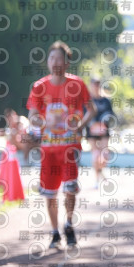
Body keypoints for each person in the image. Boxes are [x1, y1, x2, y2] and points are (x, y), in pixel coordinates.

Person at [27, 41, 95, 249]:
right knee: (49, 192)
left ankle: (69, 224)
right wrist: (44, 122)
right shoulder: (39, 87)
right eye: (51, 58)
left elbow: (91, 110)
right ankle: (55, 232)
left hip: (69, 147)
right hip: (48, 149)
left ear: (67, 63)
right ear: (47, 62)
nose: (55, 62)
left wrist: (79, 125)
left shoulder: (77, 84)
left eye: (59, 58)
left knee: (70, 188)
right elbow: (32, 116)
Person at [85, 76, 116, 188]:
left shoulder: (105, 101)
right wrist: (92, 124)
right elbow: (84, 115)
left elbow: (111, 115)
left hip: (104, 131)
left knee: (105, 154)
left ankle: (101, 172)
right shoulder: (87, 100)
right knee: (96, 154)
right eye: (94, 84)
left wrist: (105, 123)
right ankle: (97, 179)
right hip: (91, 131)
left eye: (98, 84)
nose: (96, 86)